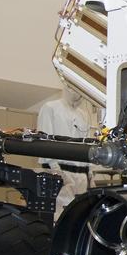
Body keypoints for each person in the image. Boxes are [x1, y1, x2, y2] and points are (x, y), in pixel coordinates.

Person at [36, 84, 92, 216]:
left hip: (81, 174)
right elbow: (44, 141)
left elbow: (87, 143)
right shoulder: (51, 108)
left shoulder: (83, 114)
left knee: (79, 214)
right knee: (59, 213)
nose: (78, 94)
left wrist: (90, 172)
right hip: (59, 170)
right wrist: (55, 169)